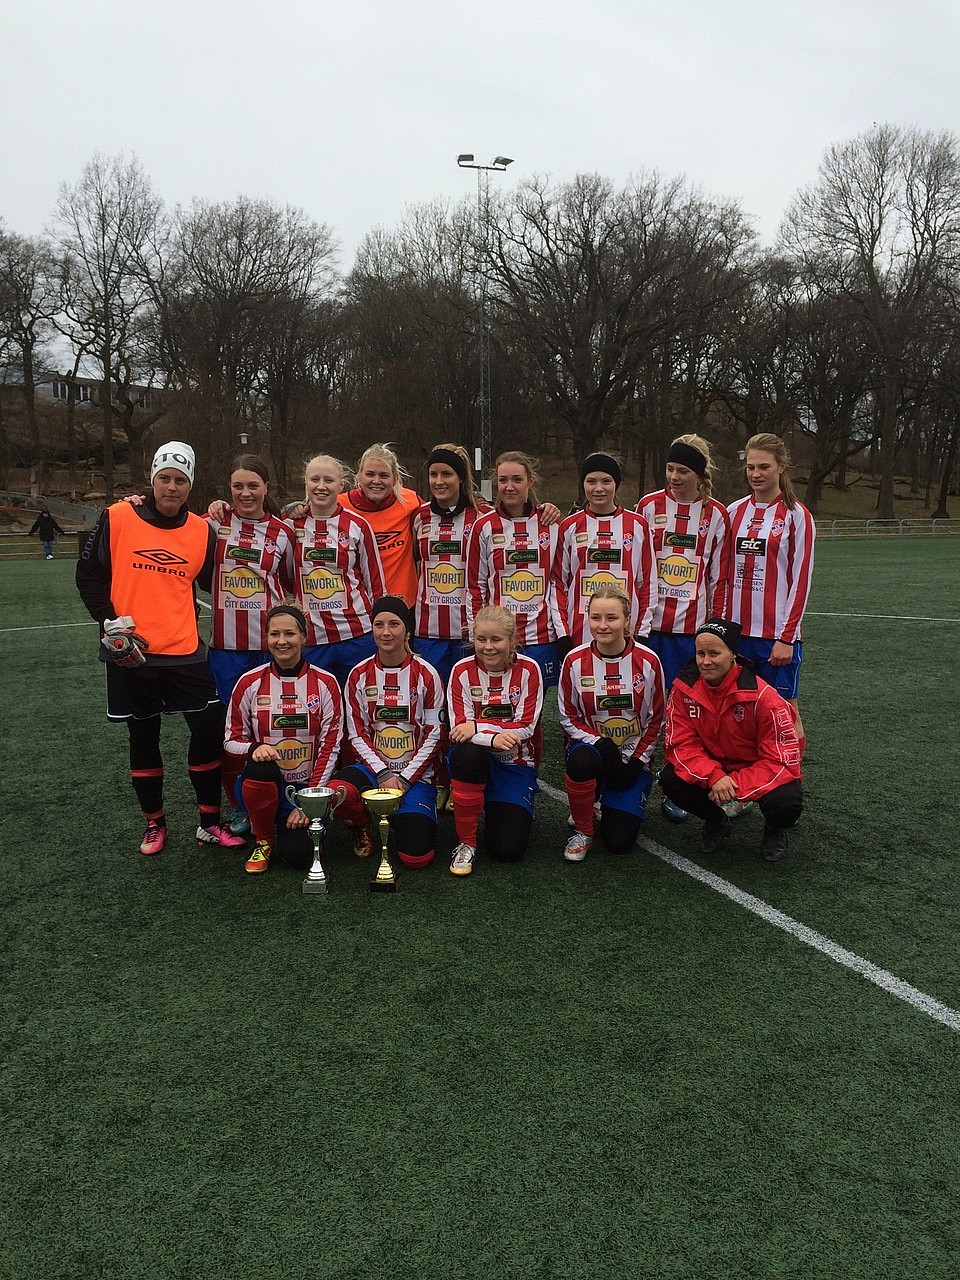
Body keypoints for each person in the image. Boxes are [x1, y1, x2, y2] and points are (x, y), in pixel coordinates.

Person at [75, 441, 245, 856]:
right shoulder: (118, 515)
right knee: (144, 735)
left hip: (185, 649)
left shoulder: (201, 530)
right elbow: (88, 574)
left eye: (180, 480)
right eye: (164, 478)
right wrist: (107, 621)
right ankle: (155, 823)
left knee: (208, 730)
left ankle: (209, 822)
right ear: (152, 480)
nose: (172, 487)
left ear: (190, 486)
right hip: (133, 651)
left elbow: (217, 578)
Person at [636, 434, 731, 822]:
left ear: (700, 474)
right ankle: (637, 776)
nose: (674, 477)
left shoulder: (715, 514)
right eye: (670, 469)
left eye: (683, 471)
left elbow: (719, 578)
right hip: (648, 628)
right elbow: (635, 565)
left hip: (691, 633)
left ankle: (676, 783)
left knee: (686, 713)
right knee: (643, 705)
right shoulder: (648, 506)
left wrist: (716, 631)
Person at [660, 618, 803, 862]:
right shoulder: (683, 690)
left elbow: (782, 761)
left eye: (714, 653)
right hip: (713, 768)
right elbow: (680, 745)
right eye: (700, 653)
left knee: (786, 802)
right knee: (670, 779)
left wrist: (734, 784)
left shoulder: (765, 698)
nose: (706, 661)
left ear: (733, 655)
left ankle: (773, 828)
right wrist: (714, 776)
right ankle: (717, 820)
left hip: (754, 767)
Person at [224, 604, 344, 875]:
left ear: (304, 637)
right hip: (265, 784)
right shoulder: (249, 682)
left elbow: (330, 746)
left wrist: (310, 800)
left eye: (289, 633)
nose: (282, 641)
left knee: (299, 857)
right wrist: (255, 747)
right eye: (274, 634)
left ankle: (300, 825)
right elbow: (230, 740)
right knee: (260, 764)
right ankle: (264, 839)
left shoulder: (325, 683)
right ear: (266, 637)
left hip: (307, 788)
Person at [331, 596, 444, 869]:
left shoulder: (427, 675)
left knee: (416, 858)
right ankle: (362, 823)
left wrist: (404, 779)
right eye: (379, 625)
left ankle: (408, 814)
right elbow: (356, 734)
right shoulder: (358, 675)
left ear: (407, 631)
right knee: (337, 792)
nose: (386, 632)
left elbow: (435, 735)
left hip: (415, 776)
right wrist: (383, 773)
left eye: (394, 624)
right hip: (373, 771)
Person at [558, 586, 666, 861]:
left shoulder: (649, 661)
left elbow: (657, 719)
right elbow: (568, 717)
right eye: (595, 618)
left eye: (612, 618)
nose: (602, 625)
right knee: (581, 761)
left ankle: (604, 801)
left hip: (631, 761)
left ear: (627, 620)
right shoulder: (574, 661)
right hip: (593, 752)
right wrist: (602, 744)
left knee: (618, 842)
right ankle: (584, 829)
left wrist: (636, 763)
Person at [727, 432, 816, 743]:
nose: (756, 474)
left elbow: (801, 580)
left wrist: (786, 638)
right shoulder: (734, 512)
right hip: (738, 635)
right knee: (741, 710)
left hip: (775, 637)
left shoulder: (797, 516)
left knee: (785, 711)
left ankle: (789, 769)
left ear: (781, 467)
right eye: (750, 467)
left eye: (764, 467)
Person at [446, 606, 544, 875]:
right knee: (467, 754)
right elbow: (458, 729)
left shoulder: (529, 670)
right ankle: (466, 843)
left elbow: (526, 727)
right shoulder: (461, 671)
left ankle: (506, 803)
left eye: (496, 639)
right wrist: (494, 738)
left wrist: (478, 726)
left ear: (512, 641)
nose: (488, 647)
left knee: (507, 851)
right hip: (474, 761)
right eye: (481, 639)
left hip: (515, 766)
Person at [466, 450, 565, 687]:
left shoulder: (550, 524)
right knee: (498, 700)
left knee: (536, 704)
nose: (509, 487)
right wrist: (476, 634)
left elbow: (558, 582)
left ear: (531, 481)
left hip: (540, 637)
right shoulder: (484, 526)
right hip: (497, 638)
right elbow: (476, 586)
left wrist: (562, 633)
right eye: (503, 480)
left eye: (517, 480)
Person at [290, 453, 386, 686]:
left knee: (361, 699)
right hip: (312, 638)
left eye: (329, 480)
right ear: (306, 483)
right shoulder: (291, 525)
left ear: (341, 485)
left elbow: (375, 583)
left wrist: (380, 625)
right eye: (315, 479)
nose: (321, 486)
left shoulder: (358, 526)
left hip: (356, 635)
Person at [553, 452, 658, 654]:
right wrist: (563, 633)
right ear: (583, 484)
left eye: (606, 481)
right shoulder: (569, 526)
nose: (599, 488)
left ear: (616, 484)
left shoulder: (638, 525)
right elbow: (558, 584)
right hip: (579, 633)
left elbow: (648, 583)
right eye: (591, 481)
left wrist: (642, 631)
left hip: (626, 634)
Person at [412, 444, 492, 683]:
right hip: (428, 631)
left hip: (470, 630)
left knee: (470, 694)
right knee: (431, 694)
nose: (439, 481)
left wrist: (545, 509)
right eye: (433, 474)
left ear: (461, 478)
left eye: (446, 474)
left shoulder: (483, 515)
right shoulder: (419, 516)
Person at [339, 443, 422, 605]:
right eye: (370, 474)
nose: (376, 481)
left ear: (395, 479)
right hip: (357, 605)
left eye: (384, 475)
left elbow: (440, 515)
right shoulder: (340, 504)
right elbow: (309, 515)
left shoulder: (410, 502)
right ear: (359, 476)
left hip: (403, 603)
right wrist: (295, 508)